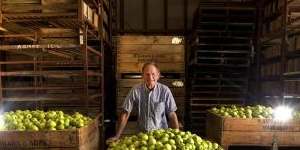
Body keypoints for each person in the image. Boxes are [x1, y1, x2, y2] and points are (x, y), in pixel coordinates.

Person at [108, 62, 179, 141]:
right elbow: (125, 113)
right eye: (147, 74)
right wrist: (117, 136)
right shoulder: (136, 90)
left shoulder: (165, 90)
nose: (150, 77)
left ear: (158, 75)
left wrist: (177, 136)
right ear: (142, 76)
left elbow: (172, 114)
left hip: (161, 137)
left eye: (153, 74)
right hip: (142, 136)